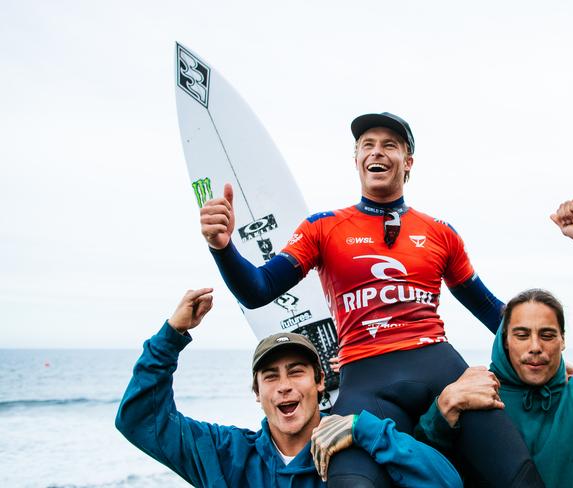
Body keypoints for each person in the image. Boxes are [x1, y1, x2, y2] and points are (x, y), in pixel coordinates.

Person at [200, 112, 544, 487]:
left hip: (440, 369)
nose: (376, 152)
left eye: (389, 145)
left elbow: (492, 311)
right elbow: (258, 289)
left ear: (407, 161)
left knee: (520, 478)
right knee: (351, 483)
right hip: (365, 381)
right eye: (367, 145)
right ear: (356, 159)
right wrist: (223, 247)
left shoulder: (440, 233)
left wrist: (555, 362)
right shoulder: (324, 227)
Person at [115, 287, 462, 488]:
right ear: (257, 393)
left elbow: (447, 483)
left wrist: (365, 430)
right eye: (270, 376)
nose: (284, 386)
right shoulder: (226, 453)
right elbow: (139, 421)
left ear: (320, 382)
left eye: (296, 372)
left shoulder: (360, 444)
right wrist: (171, 336)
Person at [416, 198, 573, 487]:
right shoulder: (470, 398)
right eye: (522, 334)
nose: (535, 346)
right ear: (504, 340)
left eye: (548, 335)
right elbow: (421, 468)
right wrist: (441, 412)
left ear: (563, 340)